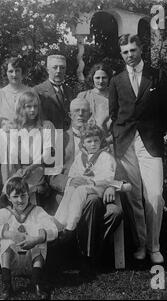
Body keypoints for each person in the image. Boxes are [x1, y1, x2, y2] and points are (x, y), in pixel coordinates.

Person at [109, 34, 167, 264]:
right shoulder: (116, 80)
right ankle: (140, 245)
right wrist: (119, 136)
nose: (130, 55)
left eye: (133, 50)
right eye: (125, 52)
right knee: (134, 197)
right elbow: (114, 114)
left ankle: (154, 247)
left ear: (141, 49)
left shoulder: (157, 75)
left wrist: (154, 129)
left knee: (154, 195)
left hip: (150, 143)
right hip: (125, 144)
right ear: (121, 54)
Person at [48, 97, 123, 278]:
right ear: (70, 114)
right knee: (87, 201)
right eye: (76, 111)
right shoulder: (61, 138)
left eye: (84, 111)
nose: (80, 114)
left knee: (111, 210)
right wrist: (70, 182)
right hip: (69, 189)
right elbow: (53, 174)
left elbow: (115, 170)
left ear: (90, 114)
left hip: (99, 189)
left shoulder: (103, 144)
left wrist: (112, 186)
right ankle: (84, 256)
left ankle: (81, 249)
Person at [0, 177, 58, 300]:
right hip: (11, 264)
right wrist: (10, 234)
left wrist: (36, 239)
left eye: (23, 195)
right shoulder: (5, 212)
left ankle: (36, 284)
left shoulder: (37, 211)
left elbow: (54, 231)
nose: (20, 200)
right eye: (15, 197)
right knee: (6, 239)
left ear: (29, 195)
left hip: (33, 263)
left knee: (40, 233)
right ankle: (7, 285)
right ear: (9, 197)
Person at [54, 125, 117, 236]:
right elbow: (73, 173)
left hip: (99, 187)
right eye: (89, 141)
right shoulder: (80, 157)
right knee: (71, 189)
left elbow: (108, 178)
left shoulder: (105, 156)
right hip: (85, 185)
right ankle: (59, 222)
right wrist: (75, 179)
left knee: (80, 191)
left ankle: (70, 227)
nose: (93, 144)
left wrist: (91, 182)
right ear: (83, 144)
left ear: (100, 141)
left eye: (96, 141)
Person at [7, 90, 55, 206]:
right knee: (9, 189)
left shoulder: (46, 126)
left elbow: (47, 154)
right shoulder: (15, 128)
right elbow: (13, 153)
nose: (33, 110)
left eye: (35, 106)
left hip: (37, 167)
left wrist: (30, 167)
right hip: (21, 169)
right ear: (21, 108)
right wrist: (18, 169)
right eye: (28, 107)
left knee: (24, 189)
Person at [0, 56, 30, 185]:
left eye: (17, 70)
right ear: (6, 73)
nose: (14, 74)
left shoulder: (30, 92)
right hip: (5, 142)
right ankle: (8, 194)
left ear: (22, 72)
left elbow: (36, 121)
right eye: (10, 71)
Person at [34, 55, 76, 130]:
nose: (59, 71)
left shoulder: (70, 91)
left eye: (62, 68)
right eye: (55, 67)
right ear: (48, 70)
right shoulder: (37, 91)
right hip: (49, 136)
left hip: (68, 137)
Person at [77, 63, 113, 143]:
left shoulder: (115, 97)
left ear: (109, 78)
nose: (101, 81)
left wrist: (109, 140)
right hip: (88, 142)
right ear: (92, 78)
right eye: (97, 78)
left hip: (111, 142)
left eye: (104, 78)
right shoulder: (83, 96)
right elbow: (77, 121)